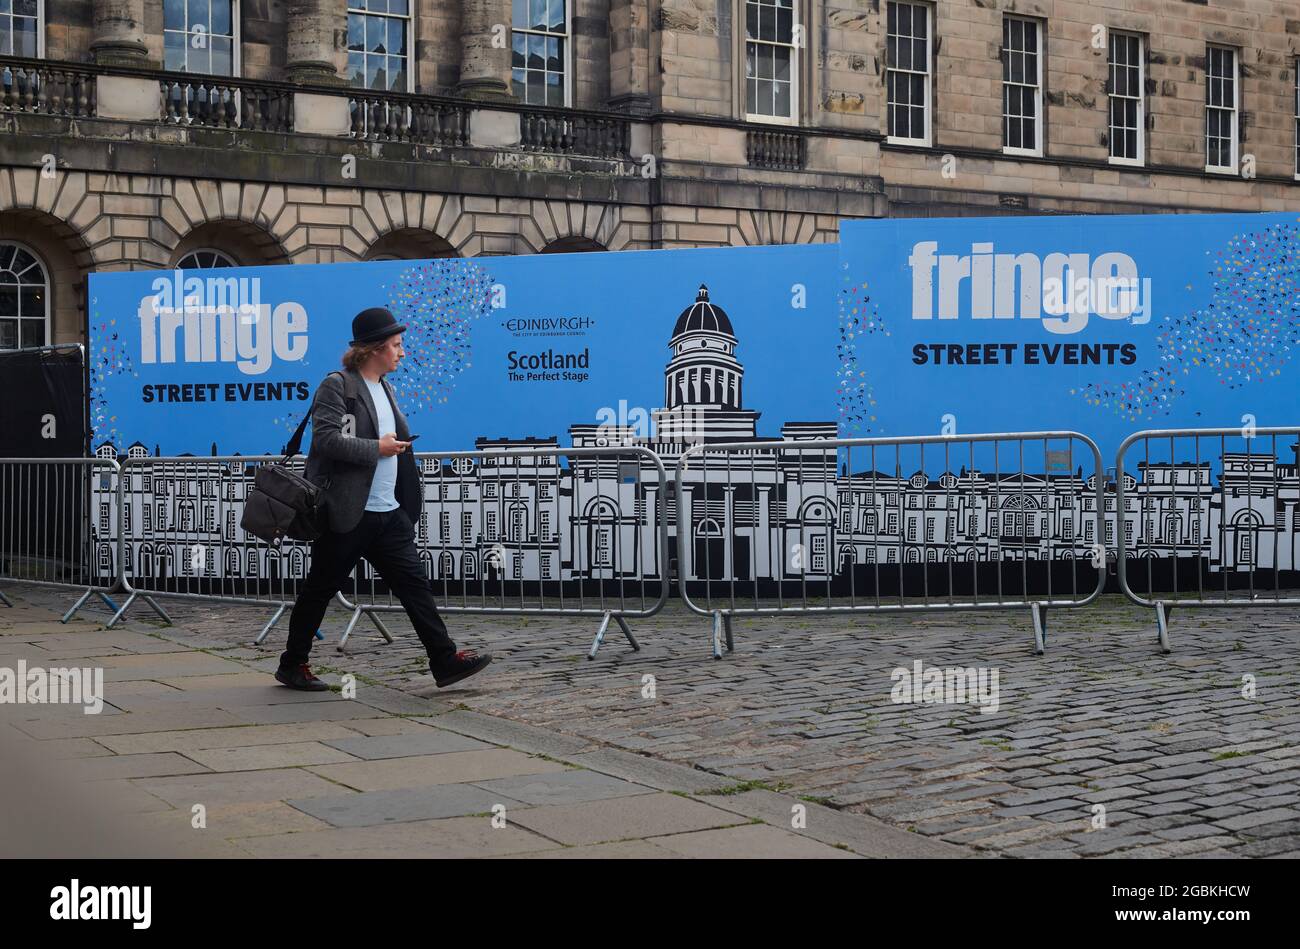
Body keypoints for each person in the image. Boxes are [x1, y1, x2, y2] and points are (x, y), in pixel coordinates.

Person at [274, 306, 492, 691]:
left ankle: (444, 660)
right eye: (395, 345)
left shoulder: (386, 388)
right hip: (346, 513)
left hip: (387, 513)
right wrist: (378, 447)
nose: (402, 352)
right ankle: (293, 664)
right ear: (374, 349)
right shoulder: (337, 385)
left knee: (415, 587)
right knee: (319, 591)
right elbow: (326, 441)